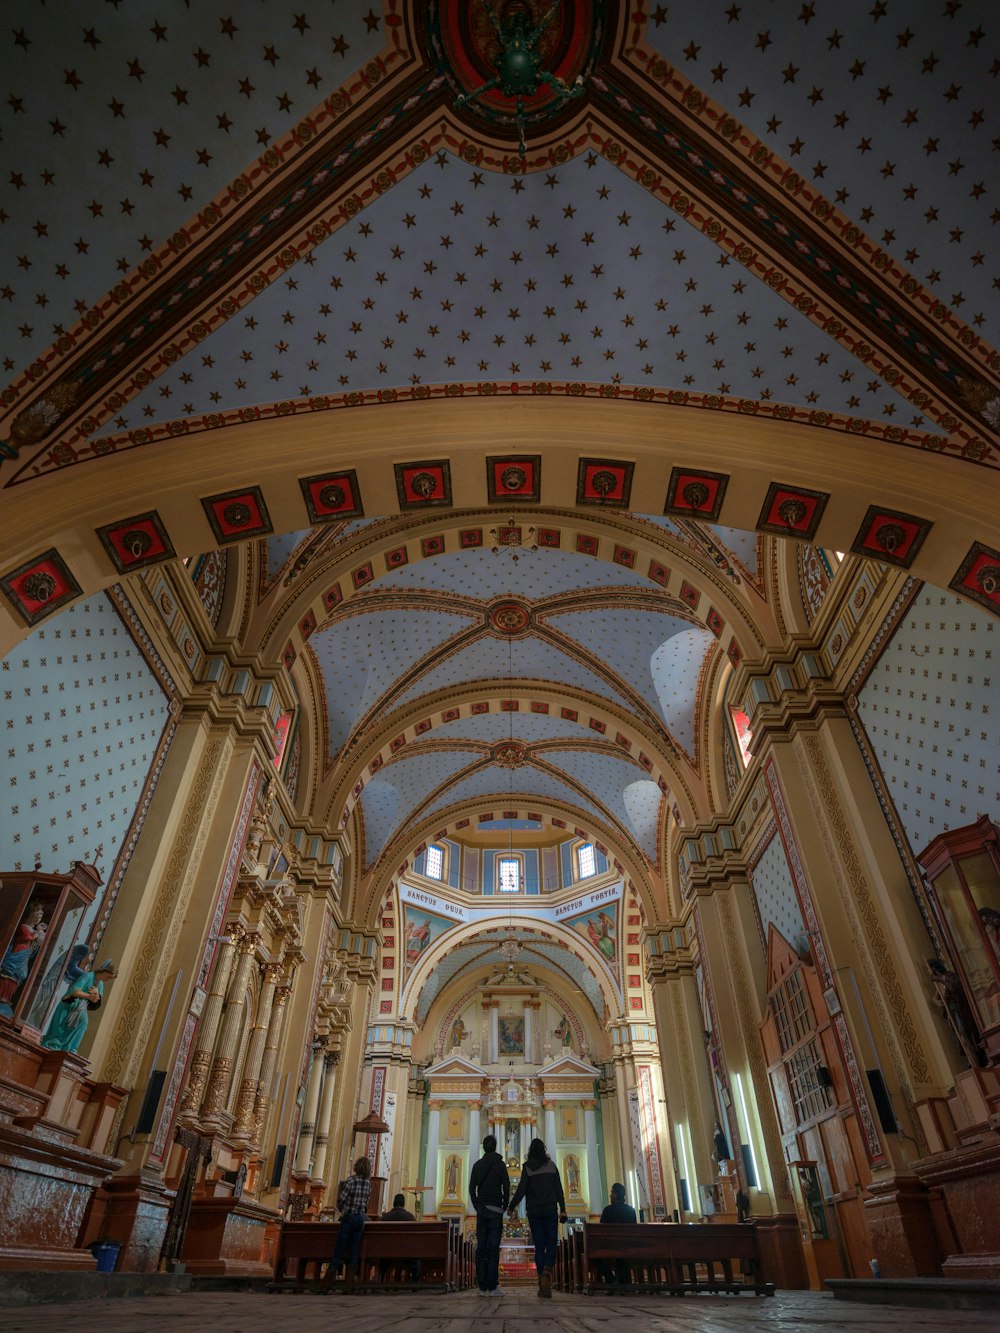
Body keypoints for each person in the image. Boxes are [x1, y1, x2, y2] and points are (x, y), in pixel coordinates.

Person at [507, 1137, 566, 1300]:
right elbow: (559, 1189)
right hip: (550, 1210)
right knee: (551, 1243)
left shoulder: (527, 1167)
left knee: (539, 1246)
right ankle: (547, 1271)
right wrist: (563, 1210)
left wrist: (511, 1207)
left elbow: (521, 1190)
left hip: (534, 1212)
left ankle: (541, 1279)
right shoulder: (551, 1166)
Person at [41, 958, 116, 1054]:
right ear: (104, 971)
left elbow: (96, 1002)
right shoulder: (88, 976)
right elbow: (74, 991)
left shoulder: (100, 984)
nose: (108, 980)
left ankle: (70, 1047)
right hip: (68, 1005)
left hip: (80, 1008)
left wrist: (96, 996)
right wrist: (89, 996)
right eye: (109, 977)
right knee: (60, 1030)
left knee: (83, 1021)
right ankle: (56, 1045)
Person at [469, 1133, 510, 1297]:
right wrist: (504, 1206)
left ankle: (482, 1286)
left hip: (482, 1209)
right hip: (495, 1210)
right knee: (493, 1248)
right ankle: (493, 1286)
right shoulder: (500, 1165)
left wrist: (477, 1206)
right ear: (495, 1147)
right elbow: (506, 1187)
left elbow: (472, 1188)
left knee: (481, 1247)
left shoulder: (478, 1165)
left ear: (484, 1147)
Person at [332, 1156, 371, 1292]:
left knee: (339, 1250)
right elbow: (366, 1202)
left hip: (348, 1217)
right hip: (360, 1219)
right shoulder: (368, 1183)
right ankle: (349, 1284)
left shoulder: (351, 1180)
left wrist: (342, 1207)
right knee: (354, 1251)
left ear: (357, 1167)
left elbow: (341, 1198)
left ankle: (327, 1282)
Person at [598, 1182, 637, 1286]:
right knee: (621, 1256)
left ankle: (611, 1280)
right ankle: (620, 1282)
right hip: (629, 1246)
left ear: (615, 1194)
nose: (610, 1195)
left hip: (610, 1247)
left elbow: (601, 1231)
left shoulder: (607, 1210)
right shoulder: (631, 1211)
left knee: (595, 1256)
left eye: (611, 1192)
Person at [379, 1193, 420, 1284]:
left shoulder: (385, 1218)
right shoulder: (410, 1217)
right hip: (406, 1253)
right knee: (416, 1258)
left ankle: (380, 1279)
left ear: (393, 1203)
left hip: (386, 1252)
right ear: (404, 1203)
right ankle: (415, 1283)